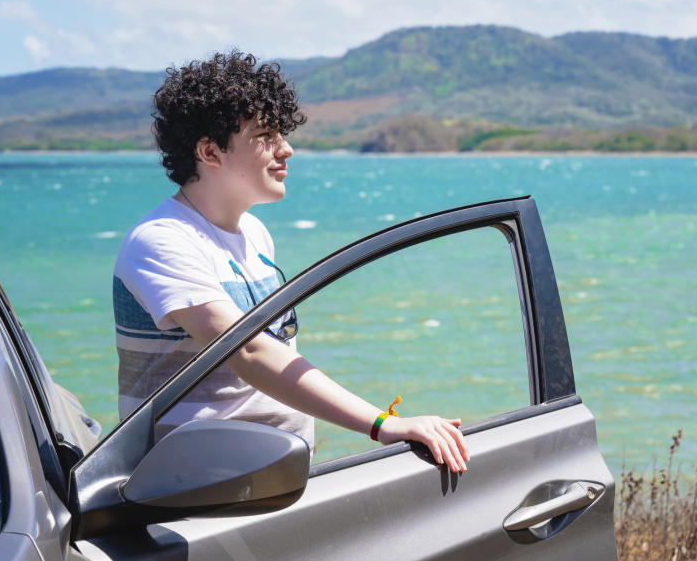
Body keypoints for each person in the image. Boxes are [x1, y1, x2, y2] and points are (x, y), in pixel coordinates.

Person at [113, 51, 468, 473]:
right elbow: (248, 350)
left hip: (263, 482)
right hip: (192, 493)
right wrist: (382, 424)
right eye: (266, 134)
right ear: (209, 151)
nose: (288, 149)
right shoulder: (162, 240)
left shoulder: (254, 233)